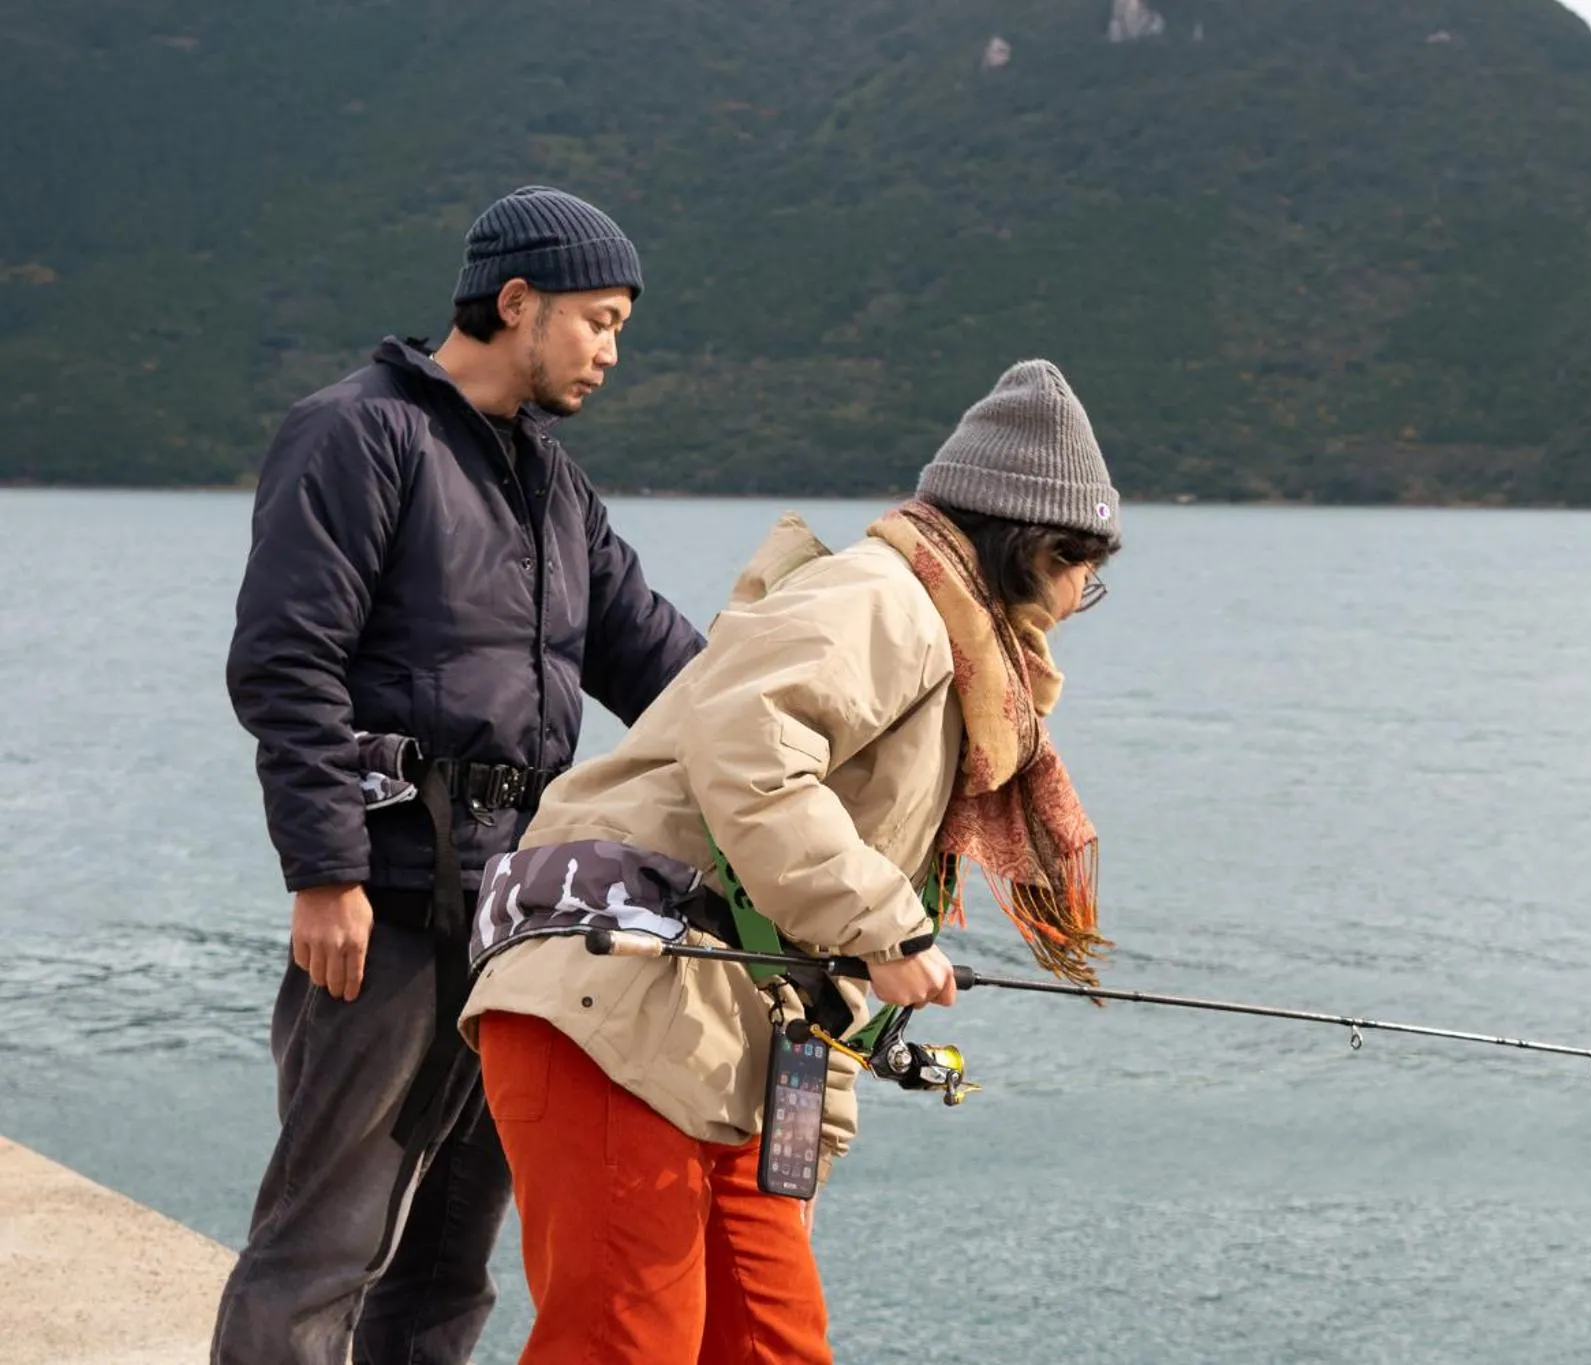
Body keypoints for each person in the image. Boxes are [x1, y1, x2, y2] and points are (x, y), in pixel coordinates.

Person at [458, 358, 1122, 1363]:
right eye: (1088, 569)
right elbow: (747, 747)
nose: (1083, 598)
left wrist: (820, 1106)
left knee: (770, 1347)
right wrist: (886, 927)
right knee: (623, 1344)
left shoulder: (943, 635)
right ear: (1037, 545)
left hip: (730, 1034)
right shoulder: (885, 600)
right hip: (615, 1001)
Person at [215, 186, 706, 1365]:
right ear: (517, 300)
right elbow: (287, 663)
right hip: (379, 900)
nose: (610, 351)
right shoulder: (357, 433)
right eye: (597, 319)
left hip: (514, 921)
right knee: (322, 1243)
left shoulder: (555, 486)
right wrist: (323, 872)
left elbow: (672, 674)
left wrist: (824, 706)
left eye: (622, 326)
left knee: (449, 1262)